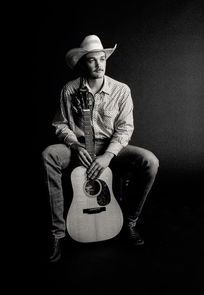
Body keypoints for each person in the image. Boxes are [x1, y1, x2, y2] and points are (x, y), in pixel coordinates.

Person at [42, 35, 159, 263]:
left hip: (110, 148)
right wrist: (74, 145)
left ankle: (129, 223)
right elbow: (60, 124)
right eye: (92, 60)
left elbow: (125, 128)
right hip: (80, 148)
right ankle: (57, 233)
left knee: (150, 161)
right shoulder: (69, 90)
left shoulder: (121, 90)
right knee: (49, 155)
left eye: (102, 59)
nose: (99, 65)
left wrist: (108, 155)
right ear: (83, 63)